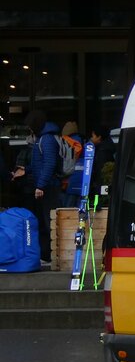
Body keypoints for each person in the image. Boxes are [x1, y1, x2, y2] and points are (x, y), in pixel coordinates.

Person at [18, 110, 62, 267]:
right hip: (45, 186)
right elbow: (40, 164)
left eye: (30, 126)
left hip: (48, 187)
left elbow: (49, 164)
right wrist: (27, 170)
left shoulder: (46, 139)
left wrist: (40, 185)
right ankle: (45, 255)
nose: (29, 130)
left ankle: (49, 256)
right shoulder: (42, 138)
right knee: (44, 222)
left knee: (48, 221)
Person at [60, 120, 85, 208]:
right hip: (82, 181)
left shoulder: (64, 142)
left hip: (68, 182)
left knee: (67, 210)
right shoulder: (83, 142)